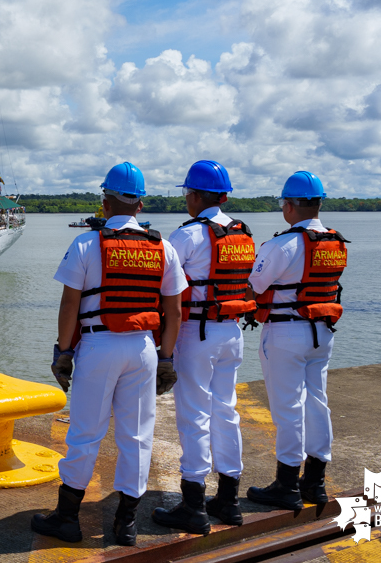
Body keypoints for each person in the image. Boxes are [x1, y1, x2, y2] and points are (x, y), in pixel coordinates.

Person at [32, 162, 185, 546]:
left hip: (99, 346)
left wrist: (63, 352)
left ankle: (67, 518)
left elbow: (70, 305)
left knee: (85, 433)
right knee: (136, 436)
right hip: (144, 349)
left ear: (105, 202)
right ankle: (126, 524)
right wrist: (166, 358)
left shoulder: (86, 244)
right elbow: (175, 311)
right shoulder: (161, 247)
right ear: (140, 205)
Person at [152, 161, 256, 535]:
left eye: (187, 193)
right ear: (224, 196)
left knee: (193, 414)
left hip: (196, 333)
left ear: (195, 195)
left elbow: (160, 281)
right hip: (231, 331)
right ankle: (228, 499)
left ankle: (194, 504)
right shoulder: (242, 234)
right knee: (225, 411)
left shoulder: (188, 236)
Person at [246, 171, 348, 511]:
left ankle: (287, 484)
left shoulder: (281, 245)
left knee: (287, 408)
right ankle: (315, 482)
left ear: (289, 206)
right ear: (318, 204)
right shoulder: (335, 242)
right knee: (317, 401)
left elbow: (253, 287)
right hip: (322, 332)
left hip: (286, 332)